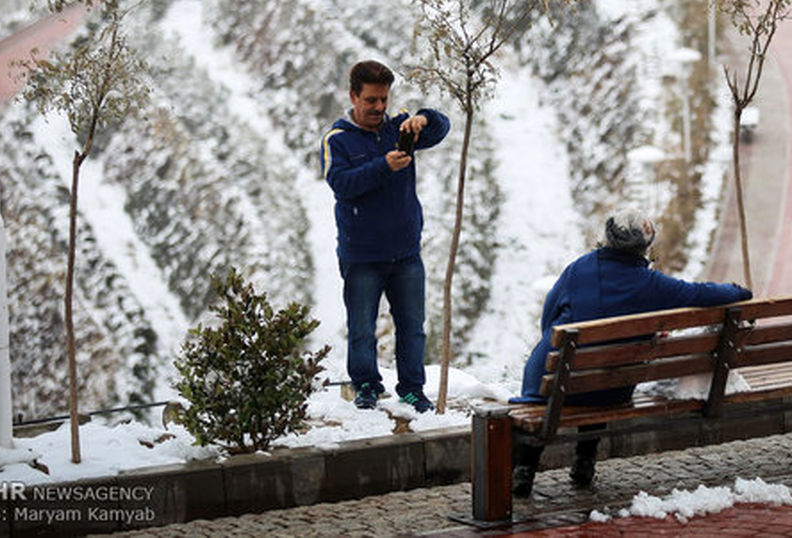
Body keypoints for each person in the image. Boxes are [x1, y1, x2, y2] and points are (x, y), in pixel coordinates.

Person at [509, 210, 753, 496]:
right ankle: (584, 462)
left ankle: (525, 471)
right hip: (612, 388)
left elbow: (548, 320)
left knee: (579, 371)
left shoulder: (577, 270)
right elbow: (700, 293)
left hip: (550, 384)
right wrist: (739, 291)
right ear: (645, 246)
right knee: (603, 373)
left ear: (608, 238)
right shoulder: (653, 285)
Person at [322, 60, 450, 413]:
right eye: (371, 101)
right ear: (353, 97)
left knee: (413, 327)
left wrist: (424, 118)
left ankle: (412, 390)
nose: (379, 107)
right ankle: (366, 387)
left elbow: (442, 128)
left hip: (406, 252)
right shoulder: (338, 140)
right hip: (362, 255)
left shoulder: (398, 127)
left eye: (383, 99)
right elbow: (341, 185)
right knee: (362, 328)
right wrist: (384, 167)